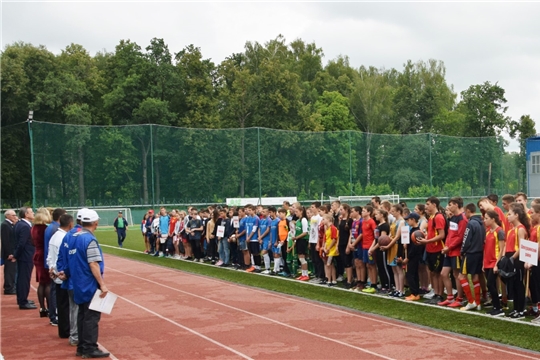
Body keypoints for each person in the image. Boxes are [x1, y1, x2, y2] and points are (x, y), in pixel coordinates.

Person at [59, 209, 110, 359]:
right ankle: (89, 347)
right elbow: (93, 263)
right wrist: (102, 284)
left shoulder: (74, 236)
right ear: (95, 222)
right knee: (91, 316)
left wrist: (66, 272)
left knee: (82, 315)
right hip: (87, 282)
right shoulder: (89, 239)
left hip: (77, 281)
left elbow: (71, 258)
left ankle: (82, 346)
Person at [48, 214, 74, 338]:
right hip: (61, 276)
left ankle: (64, 330)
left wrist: (51, 269)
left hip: (56, 274)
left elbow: (50, 256)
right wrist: (61, 272)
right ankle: (66, 330)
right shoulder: (64, 238)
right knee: (66, 305)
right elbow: (62, 257)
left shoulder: (54, 236)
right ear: (70, 224)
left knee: (62, 304)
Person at [439, 197, 467, 308]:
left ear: (456, 205)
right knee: (443, 273)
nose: (449, 207)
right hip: (448, 250)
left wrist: (449, 247)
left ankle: (460, 298)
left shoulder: (462, 219)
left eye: (450, 204)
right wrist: (446, 246)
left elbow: (460, 237)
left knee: (457, 275)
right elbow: (451, 234)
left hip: (455, 251)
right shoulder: (453, 218)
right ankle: (450, 297)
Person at [417, 197, 446, 305]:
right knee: (433, 273)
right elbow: (432, 233)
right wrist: (425, 237)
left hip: (437, 249)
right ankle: (435, 293)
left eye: (428, 204)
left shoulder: (438, 217)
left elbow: (442, 235)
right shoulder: (430, 217)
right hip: (430, 248)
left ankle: (439, 295)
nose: (426, 206)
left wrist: (427, 240)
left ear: (434, 204)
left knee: (438, 273)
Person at [504, 202, 531, 319]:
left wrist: (512, 258)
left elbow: (521, 246)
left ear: (516, 215)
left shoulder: (520, 229)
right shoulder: (511, 229)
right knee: (513, 284)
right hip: (511, 257)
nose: (507, 216)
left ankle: (521, 309)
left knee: (519, 284)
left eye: (510, 214)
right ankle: (515, 308)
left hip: (517, 258)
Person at [458, 203, 485, 312]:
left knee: (461, 276)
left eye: (465, 212)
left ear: (468, 211)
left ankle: (470, 301)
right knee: (475, 277)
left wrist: (462, 251)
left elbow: (466, 239)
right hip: (479, 253)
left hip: (470, 254)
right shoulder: (482, 222)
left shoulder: (471, 223)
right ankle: (478, 303)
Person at [44, 207, 65, 325]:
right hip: (55, 267)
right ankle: (54, 315)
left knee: (53, 291)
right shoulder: (55, 230)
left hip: (52, 264)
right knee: (55, 292)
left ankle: (54, 314)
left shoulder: (50, 228)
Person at [12, 207, 37, 309]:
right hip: (25, 256)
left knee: (22, 278)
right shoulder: (24, 226)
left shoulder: (20, 224)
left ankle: (22, 299)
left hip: (24, 256)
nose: (33, 213)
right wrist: (16, 255)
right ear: (26, 214)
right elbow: (21, 243)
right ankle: (23, 301)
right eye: (31, 212)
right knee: (24, 279)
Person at [483, 210, 506, 316]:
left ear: (493, 219)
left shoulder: (499, 231)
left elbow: (501, 249)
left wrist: (497, 264)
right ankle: (496, 306)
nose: (484, 220)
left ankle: (498, 307)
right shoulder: (488, 231)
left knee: (490, 284)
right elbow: (486, 248)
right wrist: (484, 263)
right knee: (491, 285)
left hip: (494, 262)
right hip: (487, 262)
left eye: (486, 218)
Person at [32, 207, 53, 319]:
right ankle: (50, 308)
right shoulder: (45, 228)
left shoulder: (34, 228)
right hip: (43, 255)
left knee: (41, 283)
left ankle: (42, 307)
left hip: (37, 254)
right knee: (48, 282)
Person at [404, 212, 424, 301]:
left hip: (413, 256)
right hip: (412, 256)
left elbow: (416, 247)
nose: (407, 221)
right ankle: (415, 292)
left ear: (413, 220)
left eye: (408, 220)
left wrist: (408, 257)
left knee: (410, 274)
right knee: (413, 274)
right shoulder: (412, 230)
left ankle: (414, 293)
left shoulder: (417, 232)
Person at [361, 205, 378, 294]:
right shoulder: (363, 221)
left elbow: (376, 236)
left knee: (372, 265)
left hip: (370, 246)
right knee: (368, 265)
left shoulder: (371, 222)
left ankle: (374, 284)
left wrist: (372, 247)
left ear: (369, 212)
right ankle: (371, 282)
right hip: (364, 246)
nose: (362, 212)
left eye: (364, 211)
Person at [1, 209, 18, 295]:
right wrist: (9, 253)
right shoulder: (5, 225)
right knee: (9, 271)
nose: (15, 217)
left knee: (12, 271)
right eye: (13, 215)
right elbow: (6, 241)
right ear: (7, 216)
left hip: (11, 252)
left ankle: (10, 286)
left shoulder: (10, 225)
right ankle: (8, 288)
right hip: (9, 254)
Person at [338, 204, 354, 288]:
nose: (340, 211)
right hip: (341, 242)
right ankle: (348, 277)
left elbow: (351, 233)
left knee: (348, 262)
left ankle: (349, 280)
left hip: (346, 242)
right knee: (344, 261)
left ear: (346, 210)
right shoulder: (341, 219)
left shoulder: (350, 220)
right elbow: (339, 232)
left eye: (341, 209)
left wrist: (349, 244)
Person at [292, 206, 309, 281]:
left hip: (302, 240)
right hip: (299, 240)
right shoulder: (298, 220)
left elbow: (305, 232)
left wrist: (296, 237)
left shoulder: (304, 220)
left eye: (297, 211)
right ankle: (303, 274)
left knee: (302, 258)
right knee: (300, 258)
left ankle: (306, 274)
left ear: (301, 211)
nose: (295, 213)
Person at [323, 214, 339, 287]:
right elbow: (327, 239)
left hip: (331, 250)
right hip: (328, 249)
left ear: (328, 220)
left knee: (329, 264)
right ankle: (333, 280)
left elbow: (334, 239)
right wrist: (325, 247)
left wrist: (329, 248)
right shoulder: (328, 228)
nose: (323, 221)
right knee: (331, 265)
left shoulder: (333, 228)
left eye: (324, 219)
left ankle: (329, 280)